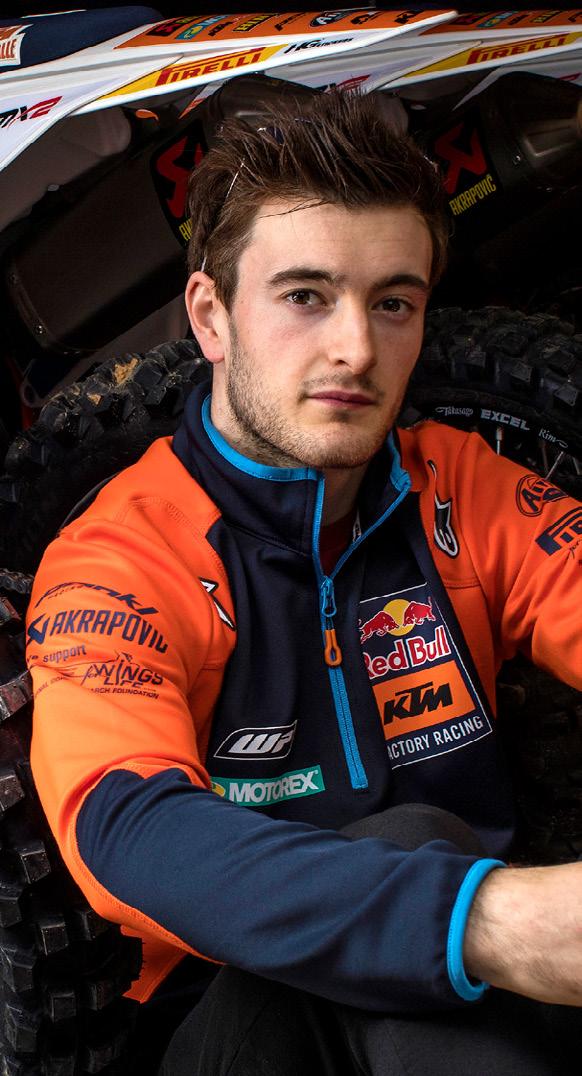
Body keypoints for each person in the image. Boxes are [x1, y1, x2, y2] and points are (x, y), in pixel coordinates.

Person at [26, 90, 582, 1076]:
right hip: (233, 1023)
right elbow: (127, 828)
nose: (357, 349)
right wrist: (486, 918)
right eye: (305, 296)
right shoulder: (121, 555)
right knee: (409, 843)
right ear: (211, 316)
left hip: (480, 1010)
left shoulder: (461, 488)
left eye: (394, 303)